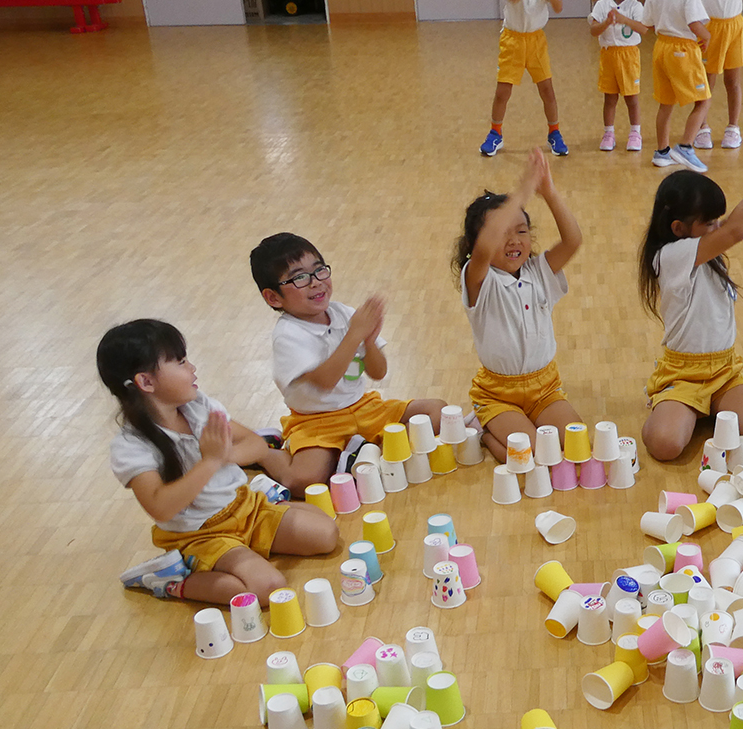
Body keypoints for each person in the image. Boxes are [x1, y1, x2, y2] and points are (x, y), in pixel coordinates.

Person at [101, 319, 338, 605]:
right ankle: (169, 580)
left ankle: (258, 522)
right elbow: (160, 507)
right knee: (267, 589)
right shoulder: (132, 446)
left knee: (326, 534)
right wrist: (210, 462)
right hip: (201, 534)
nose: (192, 368)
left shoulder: (198, 406)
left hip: (245, 507)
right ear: (146, 382)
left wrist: (226, 455)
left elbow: (255, 444)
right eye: (181, 362)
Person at [637, 135, 743, 461]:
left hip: (724, 371)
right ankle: (670, 403)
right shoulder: (670, 257)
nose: (718, 228)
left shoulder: (704, 247)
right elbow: (735, 230)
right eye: (710, 223)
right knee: (664, 445)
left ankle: (705, 409)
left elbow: (740, 224)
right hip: (683, 374)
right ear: (679, 228)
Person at [250, 233, 448, 494]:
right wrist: (355, 334)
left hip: (363, 407)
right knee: (303, 481)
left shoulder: (343, 313)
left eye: (319, 270)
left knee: (439, 412)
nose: (315, 282)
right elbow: (325, 381)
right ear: (273, 298)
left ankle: (360, 455)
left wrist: (370, 341)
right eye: (300, 278)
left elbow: (379, 372)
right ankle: (263, 450)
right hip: (316, 421)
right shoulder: (288, 335)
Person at [454, 148, 585, 462]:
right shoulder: (479, 279)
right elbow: (485, 247)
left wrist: (549, 192)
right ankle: (487, 431)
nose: (514, 240)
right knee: (534, 456)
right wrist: (522, 192)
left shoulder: (538, 271)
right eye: (503, 233)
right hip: (498, 394)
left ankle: (498, 432)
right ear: (475, 244)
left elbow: (573, 241)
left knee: (578, 443)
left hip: (545, 387)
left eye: (521, 231)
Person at [480, 0, 569, 158]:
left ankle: (554, 133)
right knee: (502, 92)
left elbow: (558, 8)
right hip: (512, 41)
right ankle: (495, 133)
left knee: (547, 90)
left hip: (537, 42)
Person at [642, 0, 713, 172]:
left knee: (666, 103)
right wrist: (707, 36)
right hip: (683, 50)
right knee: (703, 101)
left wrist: (667, 24)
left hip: (661, 47)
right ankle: (685, 146)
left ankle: (662, 152)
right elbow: (694, 23)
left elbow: (648, 23)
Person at [589, 0, 647, 152]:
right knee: (609, 98)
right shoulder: (602, 4)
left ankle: (635, 133)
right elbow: (593, 30)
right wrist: (607, 22)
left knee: (632, 98)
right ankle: (609, 133)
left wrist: (624, 19)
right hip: (609, 55)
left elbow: (643, 29)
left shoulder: (635, 6)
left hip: (629, 55)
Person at [691, 0, 743, 150]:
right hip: (709, 26)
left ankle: (733, 127)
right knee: (706, 82)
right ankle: (702, 126)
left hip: (734, 25)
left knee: (733, 81)